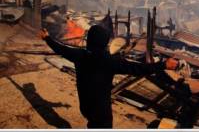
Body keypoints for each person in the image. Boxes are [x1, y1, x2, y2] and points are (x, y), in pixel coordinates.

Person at [40, 25, 178, 128]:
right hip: (101, 110)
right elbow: (137, 68)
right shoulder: (110, 61)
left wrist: (47, 38)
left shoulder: (79, 55)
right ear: (105, 42)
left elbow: (60, 49)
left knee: (92, 125)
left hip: (86, 106)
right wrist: (163, 65)